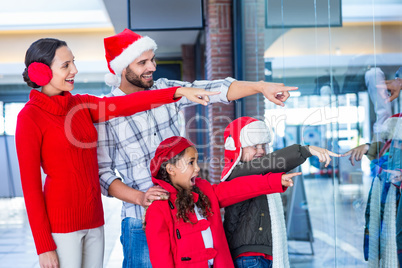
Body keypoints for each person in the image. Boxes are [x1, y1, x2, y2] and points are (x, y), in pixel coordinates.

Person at [96, 28, 299, 267]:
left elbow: (215, 90)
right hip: (139, 220)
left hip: (182, 214)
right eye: (143, 62)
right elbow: (103, 175)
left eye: (152, 59)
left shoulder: (166, 89)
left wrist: (260, 87)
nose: (152, 66)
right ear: (122, 68)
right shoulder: (105, 112)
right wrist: (140, 197)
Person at [15, 38, 217, 268]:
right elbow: (31, 190)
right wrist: (44, 247)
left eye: (74, 62)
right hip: (61, 226)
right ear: (41, 72)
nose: (75, 70)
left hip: (94, 221)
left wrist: (178, 91)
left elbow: (127, 104)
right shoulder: (29, 118)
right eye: (66, 65)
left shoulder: (81, 105)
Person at [144, 136, 301, 268]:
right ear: (171, 169)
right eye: (191, 162)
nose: (197, 168)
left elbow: (239, 188)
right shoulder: (158, 209)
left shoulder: (203, 191)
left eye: (197, 162)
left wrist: (275, 180)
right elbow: (161, 260)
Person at [220, 117, 340, 268]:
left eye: (263, 145)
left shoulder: (259, 171)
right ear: (237, 147)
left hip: (263, 255)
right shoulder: (235, 174)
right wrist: (305, 150)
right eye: (254, 146)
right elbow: (270, 162)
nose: (261, 150)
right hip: (249, 258)